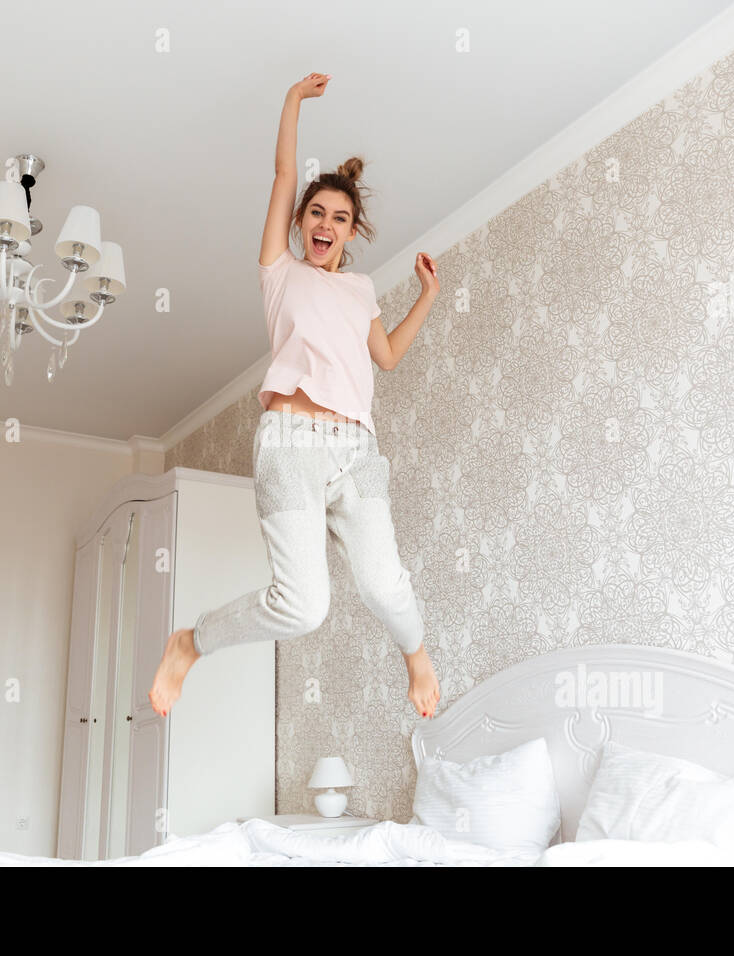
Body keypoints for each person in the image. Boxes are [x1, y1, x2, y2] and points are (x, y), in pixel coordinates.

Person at [150, 72, 441, 721]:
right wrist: (291, 101)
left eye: (340, 218)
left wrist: (426, 297)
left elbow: (386, 357)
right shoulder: (280, 274)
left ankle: (416, 653)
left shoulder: (360, 290)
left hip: (358, 450)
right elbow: (284, 174)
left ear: (350, 232)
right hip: (291, 445)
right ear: (301, 223)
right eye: (317, 213)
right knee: (305, 608)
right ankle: (190, 643)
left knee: (382, 584)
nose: (326, 224)